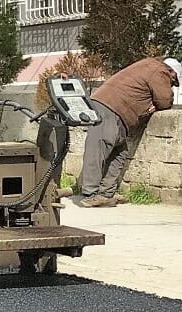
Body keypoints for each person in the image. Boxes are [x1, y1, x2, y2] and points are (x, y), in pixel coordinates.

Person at [70, 56, 181, 207]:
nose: (172, 85)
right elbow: (164, 100)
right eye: (173, 83)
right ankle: (91, 193)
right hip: (110, 106)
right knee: (98, 148)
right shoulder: (160, 70)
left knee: (119, 153)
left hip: (115, 109)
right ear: (172, 73)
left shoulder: (147, 64)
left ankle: (106, 193)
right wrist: (158, 103)